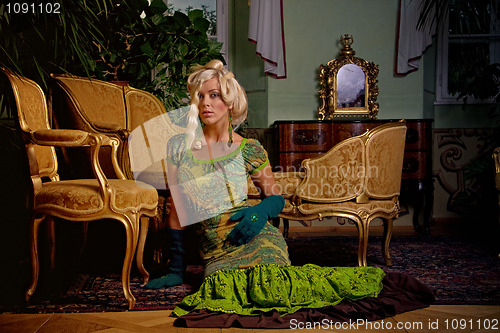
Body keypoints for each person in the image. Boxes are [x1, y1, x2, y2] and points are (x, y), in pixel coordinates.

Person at [144, 60, 386, 317]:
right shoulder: (178, 147)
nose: (205, 102)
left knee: (274, 289)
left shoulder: (250, 148)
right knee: (224, 293)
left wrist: (259, 212)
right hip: (217, 251)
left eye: (214, 95)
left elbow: (276, 198)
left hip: (257, 238)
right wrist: (176, 270)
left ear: (230, 102)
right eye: (200, 96)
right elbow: (177, 209)